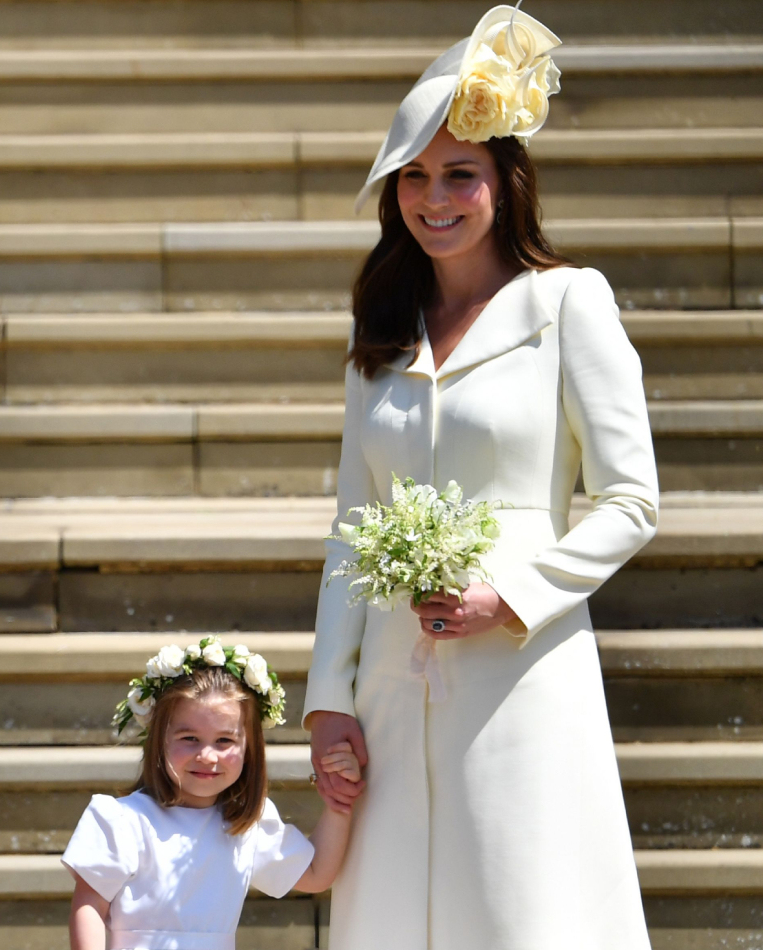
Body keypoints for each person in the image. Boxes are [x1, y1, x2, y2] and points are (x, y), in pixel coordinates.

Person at [303, 5, 659, 950]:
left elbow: (632, 500)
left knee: (520, 907)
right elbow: (351, 526)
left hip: (520, 675)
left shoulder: (567, 302)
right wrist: (328, 702)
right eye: (414, 177)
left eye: (460, 174)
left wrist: (509, 596)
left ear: (506, 180)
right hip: (387, 678)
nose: (436, 198)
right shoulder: (380, 333)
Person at [62, 638, 361, 950]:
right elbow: (89, 908)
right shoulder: (122, 820)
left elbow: (315, 874)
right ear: (159, 740)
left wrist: (341, 800)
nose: (207, 755)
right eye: (190, 738)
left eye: (223, 741)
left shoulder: (246, 826)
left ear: (249, 749)